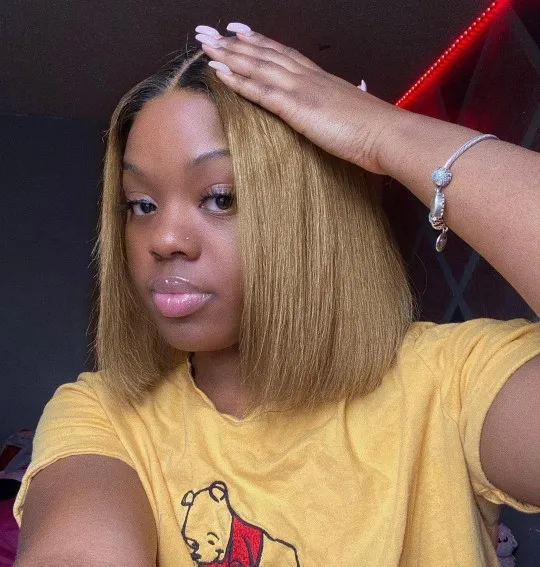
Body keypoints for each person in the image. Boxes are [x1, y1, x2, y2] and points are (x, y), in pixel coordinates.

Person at [13, 22, 540, 567]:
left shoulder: (451, 383)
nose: (163, 239)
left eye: (220, 198)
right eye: (141, 205)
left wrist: (385, 132)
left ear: (315, 216)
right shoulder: (103, 414)